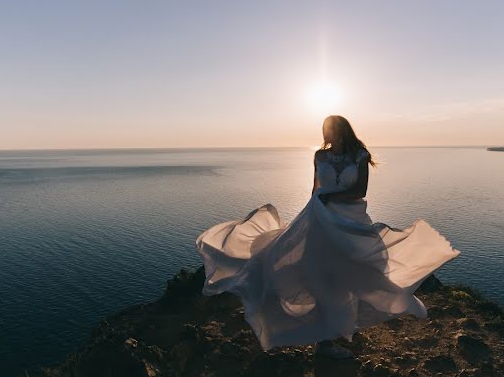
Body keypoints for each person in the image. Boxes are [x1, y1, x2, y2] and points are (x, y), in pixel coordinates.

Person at [195, 115, 460, 359]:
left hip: (350, 222)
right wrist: (310, 217)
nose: (328, 135)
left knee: (351, 276)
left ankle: (339, 329)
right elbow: (314, 190)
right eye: (325, 131)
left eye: (331, 130)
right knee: (320, 277)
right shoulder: (319, 156)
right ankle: (324, 342)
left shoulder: (360, 154)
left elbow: (359, 190)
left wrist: (327, 197)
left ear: (342, 131)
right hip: (320, 220)